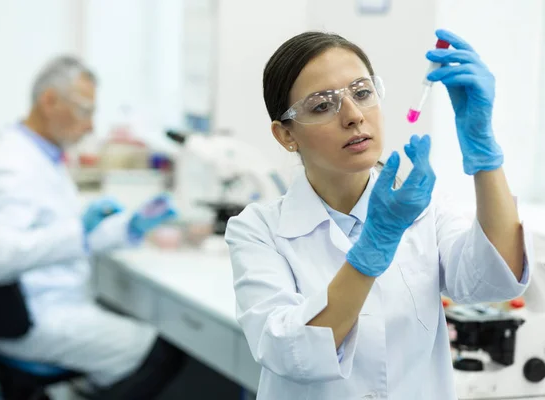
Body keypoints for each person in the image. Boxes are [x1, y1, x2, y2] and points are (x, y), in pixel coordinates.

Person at [225, 29, 533, 399]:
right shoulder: (258, 230)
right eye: (322, 105)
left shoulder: (425, 206)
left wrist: (484, 151)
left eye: (361, 93)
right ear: (285, 135)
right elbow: (289, 351)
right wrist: (375, 244)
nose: (354, 116)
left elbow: (496, 280)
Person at [0, 56, 184, 399]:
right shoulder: (10, 166)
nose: (90, 126)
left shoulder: (43, 156)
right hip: (35, 316)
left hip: (54, 302)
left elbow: (63, 232)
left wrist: (131, 226)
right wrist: (79, 231)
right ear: (49, 101)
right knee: (162, 353)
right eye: (84, 111)